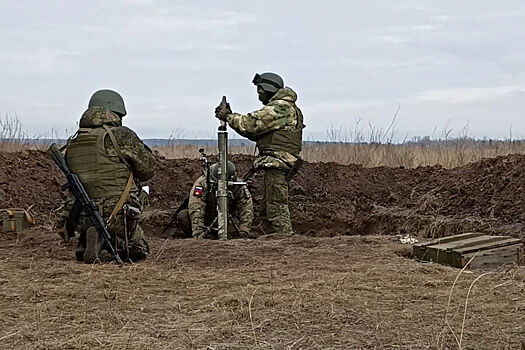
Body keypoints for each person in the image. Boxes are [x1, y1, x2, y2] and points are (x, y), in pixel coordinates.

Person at [58, 89, 156, 263]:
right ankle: (106, 248)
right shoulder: (121, 135)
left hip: (82, 214)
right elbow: (147, 170)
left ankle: (90, 240)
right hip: (117, 213)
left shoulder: (74, 141)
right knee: (141, 250)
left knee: (97, 226)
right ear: (116, 112)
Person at [214, 72, 304, 235]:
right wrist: (232, 118)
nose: (258, 94)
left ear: (268, 89)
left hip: (278, 163)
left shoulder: (280, 108)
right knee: (270, 206)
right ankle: (276, 240)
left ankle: (286, 242)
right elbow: (255, 133)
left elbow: (250, 124)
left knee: (276, 208)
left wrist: (227, 116)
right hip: (280, 163)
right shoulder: (287, 108)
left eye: (260, 90)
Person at [176, 161, 254, 239]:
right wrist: (198, 231)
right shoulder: (202, 183)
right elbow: (196, 206)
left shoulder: (237, 185)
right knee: (183, 216)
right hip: (206, 219)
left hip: (226, 219)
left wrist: (244, 230)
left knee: (233, 236)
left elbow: (246, 208)